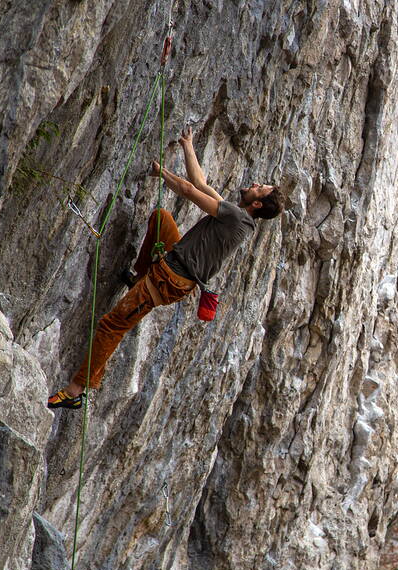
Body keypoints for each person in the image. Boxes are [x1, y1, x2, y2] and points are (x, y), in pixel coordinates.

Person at [47, 126, 284, 409]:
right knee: (162, 219)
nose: (255, 182)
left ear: (257, 203)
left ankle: (75, 391)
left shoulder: (235, 217)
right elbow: (199, 181)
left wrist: (161, 172)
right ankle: (138, 277)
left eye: (260, 187)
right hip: (177, 270)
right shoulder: (240, 218)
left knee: (113, 324)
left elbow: (186, 189)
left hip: (169, 279)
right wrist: (188, 144)